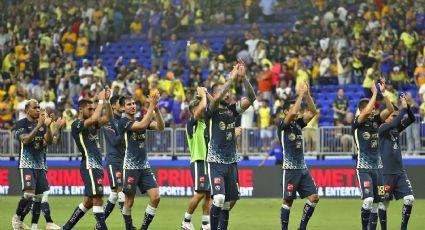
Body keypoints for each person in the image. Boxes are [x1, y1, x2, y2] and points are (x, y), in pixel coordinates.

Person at [206, 61, 256, 230]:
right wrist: (231, 78)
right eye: (224, 92)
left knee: (227, 203)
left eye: (228, 92)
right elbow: (218, 98)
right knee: (219, 198)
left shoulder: (231, 111)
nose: (227, 95)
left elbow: (251, 98)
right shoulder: (211, 110)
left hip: (232, 162)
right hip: (216, 162)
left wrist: (243, 78)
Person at [62, 88, 112, 230]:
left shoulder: (92, 125)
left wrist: (107, 101)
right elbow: (95, 118)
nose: (92, 111)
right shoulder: (76, 125)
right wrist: (101, 100)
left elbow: (108, 117)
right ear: (81, 109)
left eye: (93, 109)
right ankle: (102, 228)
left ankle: (66, 228)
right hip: (89, 163)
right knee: (98, 197)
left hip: (96, 164)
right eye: (90, 109)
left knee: (89, 201)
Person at [119, 94, 165, 230]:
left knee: (156, 197)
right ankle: (129, 227)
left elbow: (160, 127)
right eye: (129, 104)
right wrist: (151, 106)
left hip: (144, 166)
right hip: (130, 166)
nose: (133, 106)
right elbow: (142, 125)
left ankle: (143, 228)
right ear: (122, 108)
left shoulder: (140, 119)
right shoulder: (123, 123)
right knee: (129, 201)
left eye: (133, 103)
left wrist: (156, 110)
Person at [352, 81, 394, 230]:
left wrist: (384, 93)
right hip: (364, 168)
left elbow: (390, 109)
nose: (373, 111)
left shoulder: (375, 121)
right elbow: (365, 113)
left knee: (377, 204)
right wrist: (374, 94)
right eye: (371, 108)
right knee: (368, 199)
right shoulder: (357, 122)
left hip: (378, 169)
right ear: (362, 110)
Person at [278, 82, 319, 230]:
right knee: (288, 201)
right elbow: (292, 113)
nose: (298, 111)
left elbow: (313, 112)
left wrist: (307, 95)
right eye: (292, 109)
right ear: (285, 112)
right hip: (290, 169)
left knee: (314, 198)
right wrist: (300, 95)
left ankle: (302, 227)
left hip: (302, 168)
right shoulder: (283, 123)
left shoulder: (298, 124)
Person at [17, 113, 65, 230]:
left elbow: (56, 141)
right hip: (32, 166)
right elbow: (44, 142)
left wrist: (59, 128)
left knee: (36, 198)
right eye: (43, 115)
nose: (45, 117)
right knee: (39, 196)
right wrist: (53, 128)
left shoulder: (44, 129)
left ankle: (23, 221)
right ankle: (47, 222)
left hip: (41, 166)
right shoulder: (35, 129)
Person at [11, 100, 54, 230]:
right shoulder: (21, 124)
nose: (38, 110)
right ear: (27, 110)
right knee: (29, 194)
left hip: (40, 164)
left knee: (39, 197)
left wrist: (48, 126)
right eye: (34, 107)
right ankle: (17, 218)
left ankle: (34, 226)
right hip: (27, 162)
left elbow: (49, 141)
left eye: (39, 107)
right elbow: (25, 140)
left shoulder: (41, 124)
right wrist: (39, 126)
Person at [378, 95, 415, 230]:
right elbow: (394, 123)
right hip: (385, 173)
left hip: (400, 172)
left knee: (409, 199)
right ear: (386, 116)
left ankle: (403, 228)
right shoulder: (381, 129)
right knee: (383, 204)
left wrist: (407, 107)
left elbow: (412, 119)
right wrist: (403, 110)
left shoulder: (395, 128)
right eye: (393, 115)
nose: (395, 118)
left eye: (396, 116)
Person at [181, 87, 211, 230]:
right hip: (199, 161)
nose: (203, 110)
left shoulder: (205, 123)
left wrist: (207, 95)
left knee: (209, 194)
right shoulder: (192, 123)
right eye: (199, 108)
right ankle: (186, 221)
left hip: (209, 162)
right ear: (193, 110)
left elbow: (212, 106)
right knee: (199, 193)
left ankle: (205, 224)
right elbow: (203, 107)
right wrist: (203, 95)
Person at [103, 95, 126, 221]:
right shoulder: (108, 122)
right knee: (120, 190)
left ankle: (100, 223)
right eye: (120, 103)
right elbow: (115, 141)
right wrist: (125, 129)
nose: (123, 104)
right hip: (113, 160)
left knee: (113, 195)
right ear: (112, 106)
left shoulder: (123, 121)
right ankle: (128, 224)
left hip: (123, 160)